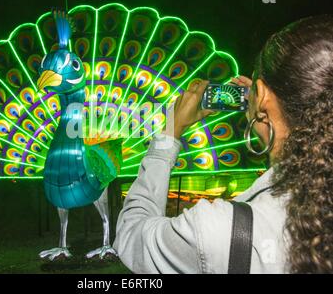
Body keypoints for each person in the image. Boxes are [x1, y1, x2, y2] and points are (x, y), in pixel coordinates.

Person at [113, 15, 333, 274]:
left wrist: (169, 133)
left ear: (260, 95)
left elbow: (132, 236)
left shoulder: (220, 229)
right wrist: (268, 108)